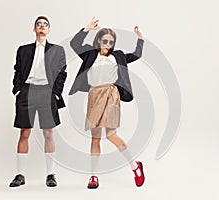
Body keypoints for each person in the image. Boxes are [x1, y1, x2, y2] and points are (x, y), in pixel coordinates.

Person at [69, 17, 145, 189]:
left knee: (111, 135)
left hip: (111, 94)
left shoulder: (118, 56)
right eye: (105, 41)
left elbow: (137, 54)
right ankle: (93, 176)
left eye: (111, 42)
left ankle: (135, 167)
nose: (108, 44)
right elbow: (74, 44)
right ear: (98, 40)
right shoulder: (89, 54)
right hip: (94, 95)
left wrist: (140, 38)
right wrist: (86, 29)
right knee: (95, 138)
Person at [9, 16, 67, 187]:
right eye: (39, 24)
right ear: (34, 29)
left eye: (45, 24)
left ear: (48, 30)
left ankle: (50, 174)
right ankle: (20, 175)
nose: (42, 26)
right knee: (24, 133)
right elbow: (18, 70)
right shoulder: (23, 50)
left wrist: (55, 93)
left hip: (47, 92)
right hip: (27, 91)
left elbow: (62, 72)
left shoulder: (57, 50)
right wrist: (18, 90)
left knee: (48, 133)